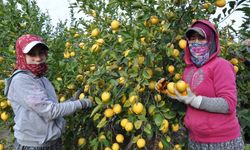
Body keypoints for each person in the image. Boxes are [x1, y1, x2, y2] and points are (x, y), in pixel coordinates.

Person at [156, 20, 245, 149]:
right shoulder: (189, 69)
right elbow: (185, 95)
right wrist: (166, 88)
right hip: (195, 140)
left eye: (201, 38)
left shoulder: (221, 65)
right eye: (192, 39)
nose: (195, 42)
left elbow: (228, 104)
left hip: (221, 141)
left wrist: (195, 100)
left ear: (211, 41)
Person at [4, 34, 92, 150]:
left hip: (51, 143)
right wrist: (82, 103)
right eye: (32, 54)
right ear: (22, 56)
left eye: (41, 53)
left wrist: (72, 100)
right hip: (34, 145)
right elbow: (50, 111)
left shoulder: (41, 78)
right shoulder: (21, 80)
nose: (38, 58)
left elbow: (49, 106)